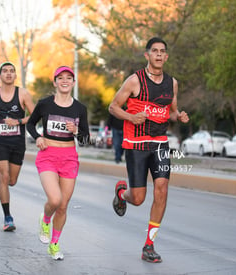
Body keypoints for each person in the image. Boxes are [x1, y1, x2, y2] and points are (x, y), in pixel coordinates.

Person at [109, 37, 189, 263]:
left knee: (162, 189)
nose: (159, 55)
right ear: (147, 55)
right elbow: (113, 107)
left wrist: (179, 116)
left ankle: (149, 244)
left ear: (166, 56)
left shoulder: (172, 83)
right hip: (136, 144)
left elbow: (171, 112)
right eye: (154, 51)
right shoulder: (135, 80)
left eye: (163, 51)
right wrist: (131, 117)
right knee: (138, 199)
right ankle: (122, 193)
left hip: (161, 143)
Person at [26, 66, 90, 260]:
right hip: (48, 154)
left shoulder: (80, 109)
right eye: (60, 78)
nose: (64, 81)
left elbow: (86, 141)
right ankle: (45, 219)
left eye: (68, 78)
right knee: (54, 200)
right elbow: (30, 123)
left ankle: (54, 244)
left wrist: (76, 131)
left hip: (69, 156)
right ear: (55, 82)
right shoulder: (45, 104)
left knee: (63, 206)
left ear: (73, 82)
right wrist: (37, 137)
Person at [0, 62, 35, 231]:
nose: (8, 74)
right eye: (5, 71)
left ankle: (2, 190)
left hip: (18, 142)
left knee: (11, 181)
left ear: (15, 75)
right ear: (0, 75)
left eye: (12, 71)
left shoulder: (23, 94)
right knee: (4, 176)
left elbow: (35, 116)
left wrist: (18, 121)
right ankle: (7, 218)